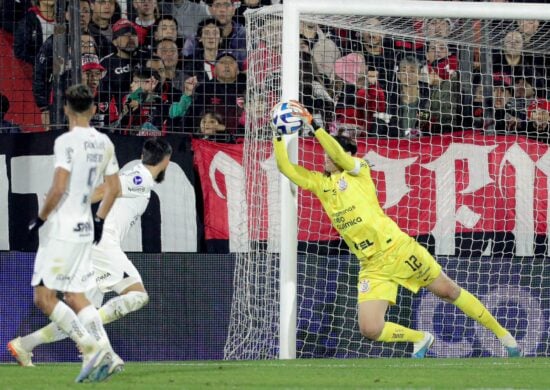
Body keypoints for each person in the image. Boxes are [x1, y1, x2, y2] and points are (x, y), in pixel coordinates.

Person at [271, 101, 522, 359]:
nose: (324, 159)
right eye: (324, 156)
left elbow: (338, 156)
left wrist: (314, 125)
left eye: (328, 155)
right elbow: (286, 168)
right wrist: (278, 135)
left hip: (397, 249)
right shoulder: (320, 184)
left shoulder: (359, 170)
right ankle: (420, 338)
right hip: (372, 265)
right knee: (370, 328)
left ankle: (504, 336)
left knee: (449, 292)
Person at [7, 137, 172, 367]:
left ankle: (24, 345)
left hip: (93, 246)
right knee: (137, 295)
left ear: (144, 156)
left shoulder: (140, 175)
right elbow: (105, 189)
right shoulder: (141, 176)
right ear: (166, 161)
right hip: (103, 244)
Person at [7, 84, 122, 382]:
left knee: (44, 297)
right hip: (85, 227)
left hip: (62, 227)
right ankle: (102, 351)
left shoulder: (66, 142)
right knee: (75, 294)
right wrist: (98, 220)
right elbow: (114, 189)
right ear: (94, 110)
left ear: (66, 110)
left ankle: (94, 351)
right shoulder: (105, 143)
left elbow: (58, 188)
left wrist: (40, 219)